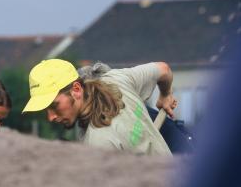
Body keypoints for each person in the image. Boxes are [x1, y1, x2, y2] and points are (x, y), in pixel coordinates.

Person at [22, 59, 177, 155]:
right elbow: (164, 69)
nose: (51, 117)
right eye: (45, 110)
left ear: (76, 89)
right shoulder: (118, 79)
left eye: (54, 106)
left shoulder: (98, 144)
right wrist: (165, 95)